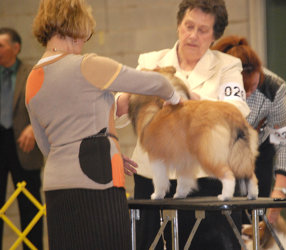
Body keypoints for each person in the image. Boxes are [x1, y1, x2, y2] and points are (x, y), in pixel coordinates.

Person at [27, 0, 182, 249]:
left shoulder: (32, 78)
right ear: (79, 27)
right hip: (98, 181)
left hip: (56, 184)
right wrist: (174, 99)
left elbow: (46, 145)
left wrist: (108, 147)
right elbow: (157, 83)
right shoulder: (87, 64)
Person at [115, 0, 250, 249]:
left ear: (214, 36)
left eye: (203, 30)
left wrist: (190, 103)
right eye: (188, 26)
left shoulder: (227, 66)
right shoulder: (150, 62)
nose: (193, 35)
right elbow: (120, 112)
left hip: (206, 176)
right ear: (178, 25)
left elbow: (236, 110)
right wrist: (132, 95)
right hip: (153, 175)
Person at [211, 35, 286, 225]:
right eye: (243, 89)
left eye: (254, 87)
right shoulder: (213, 84)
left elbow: (285, 139)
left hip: (258, 152)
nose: (248, 95)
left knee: (254, 218)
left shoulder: (274, 87)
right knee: (221, 220)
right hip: (220, 154)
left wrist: (280, 190)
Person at [0, 27, 44, 250]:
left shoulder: (31, 73)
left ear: (15, 48)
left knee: (30, 204)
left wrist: (33, 128)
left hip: (24, 144)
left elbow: (45, 106)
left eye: (1, 45)